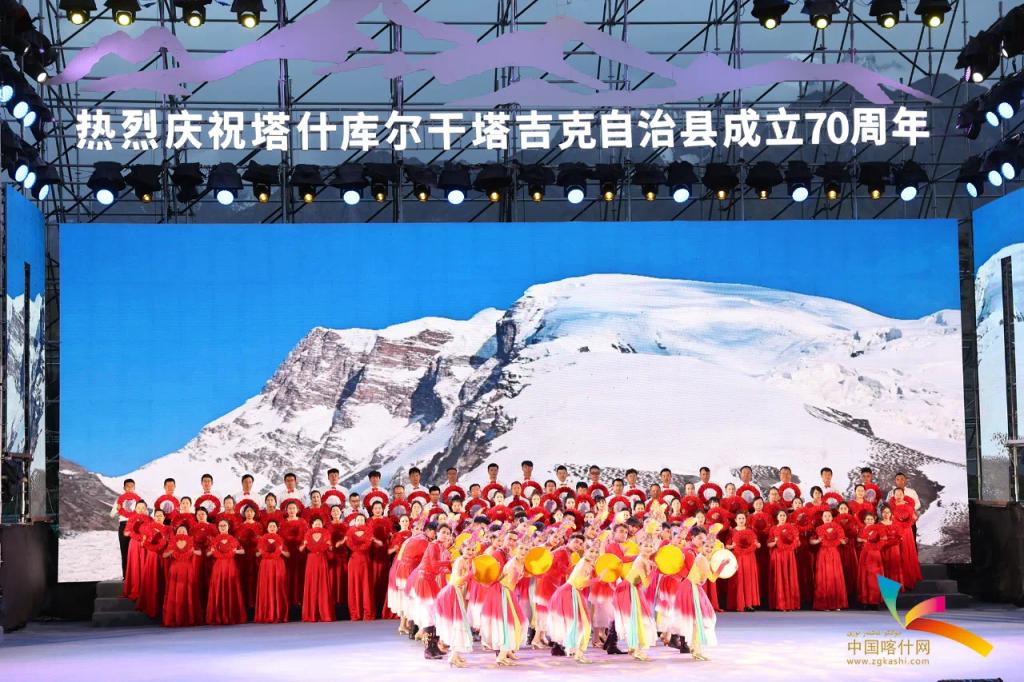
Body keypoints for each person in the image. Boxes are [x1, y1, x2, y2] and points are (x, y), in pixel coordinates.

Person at [407, 525, 454, 659]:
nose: (445, 535)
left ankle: (434, 647)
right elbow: (434, 564)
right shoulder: (433, 545)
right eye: (443, 532)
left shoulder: (442, 548)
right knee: (428, 613)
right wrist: (450, 562)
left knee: (434, 613)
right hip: (423, 581)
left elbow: (442, 568)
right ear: (437, 533)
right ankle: (428, 649)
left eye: (448, 533)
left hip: (430, 581)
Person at [677, 526, 722, 661]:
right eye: (706, 546)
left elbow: (704, 578)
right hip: (691, 588)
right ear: (702, 546)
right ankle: (696, 650)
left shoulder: (705, 558)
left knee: (697, 621)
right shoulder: (701, 558)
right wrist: (723, 566)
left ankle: (694, 647)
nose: (708, 549)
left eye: (711, 547)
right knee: (698, 620)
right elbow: (712, 578)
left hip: (694, 587)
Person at [434, 533, 478, 668]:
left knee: (458, 624)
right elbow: (457, 580)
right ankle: (453, 656)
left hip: (456, 592)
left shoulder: (467, 561)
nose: (470, 552)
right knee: (458, 625)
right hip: (452, 593)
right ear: (462, 549)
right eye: (468, 549)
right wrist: (471, 574)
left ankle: (456, 655)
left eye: (472, 549)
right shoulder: (460, 561)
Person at [613, 537, 658, 661]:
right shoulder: (640, 561)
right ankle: (637, 649)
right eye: (646, 545)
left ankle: (633, 648)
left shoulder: (646, 559)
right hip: (629, 589)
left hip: (633, 588)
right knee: (636, 619)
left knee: (637, 619)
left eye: (651, 546)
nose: (649, 548)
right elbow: (646, 583)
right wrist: (653, 571)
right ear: (640, 547)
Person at [206, 519, 247, 625]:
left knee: (231, 587)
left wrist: (235, 551)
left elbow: (242, 551)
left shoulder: (233, 539)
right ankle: (218, 615)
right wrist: (212, 551)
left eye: (224, 525)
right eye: (221, 525)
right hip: (218, 566)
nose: (223, 527)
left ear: (228, 527)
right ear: (218, 527)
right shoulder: (214, 540)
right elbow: (207, 554)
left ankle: (232, 615)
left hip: (230, 565)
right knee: (218, 588)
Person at [162, 525, 202, 627]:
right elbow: (164, 555)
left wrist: (193, 551)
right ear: (176, 533)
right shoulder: (172, 542)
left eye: (183, 530)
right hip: (175, 569)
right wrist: (170, 552)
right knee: (175, 592)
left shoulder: (191, 541)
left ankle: (189, 617)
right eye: (179, 530)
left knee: (188, 592)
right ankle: (175, 617)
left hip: (188, 569)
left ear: (187, 533)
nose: (181, 532)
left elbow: (200, 553)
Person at [344, 513, 381, 620]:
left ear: (365, 522)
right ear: (355, 522)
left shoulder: (369, 533)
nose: (360, 521)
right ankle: (355, 613)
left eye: (362, 520)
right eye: (358, 520)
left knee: (366, 586)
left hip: (365, 561)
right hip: (353, 561)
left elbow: (379, 544)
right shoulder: (350, 533)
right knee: (354, 586)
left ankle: (367, 612)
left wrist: (375, 540)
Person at [810, 509, 847, 611]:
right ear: (822, 518)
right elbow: (811, 541)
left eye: (829, 516)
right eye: (825, 516)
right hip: (823, 554)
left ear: (832, 517)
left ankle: (836, 603)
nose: (827, 518)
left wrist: (842, 541)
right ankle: (824, 604)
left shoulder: (837, 528)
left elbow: (844, 541)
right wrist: (818, 540)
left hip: (834, 553)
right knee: (823, 577)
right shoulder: (818, 529)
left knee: (835, 577)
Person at [254, 520, 290, 623]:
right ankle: (266, 614)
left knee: (278, 588)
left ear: (277, 528)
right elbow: (256, 554)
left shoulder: (281, 540)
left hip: (278, 565)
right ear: (267, 528)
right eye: (270, 526)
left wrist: (280, 550)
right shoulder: (262, 539)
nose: (272, 528)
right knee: (266, 588)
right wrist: (261, 552)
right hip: (265, 565)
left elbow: (288, 555)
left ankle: (279, 614)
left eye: (274, 526)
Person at [300, 517, 335, 622]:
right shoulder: (307, 535)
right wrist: (304, 545)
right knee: (312, 584)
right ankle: (311, 614)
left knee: (322, 585)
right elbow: (301, 549)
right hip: (311, 561)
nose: (317, 525)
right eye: (316, 523)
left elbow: (331, 549)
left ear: (322, 525)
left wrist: (330, 546)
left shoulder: (326, 534)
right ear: (312, 525)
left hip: (322, 559)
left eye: (319, 523)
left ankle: (325, 613)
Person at [136, 509, 168, 619]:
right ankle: (151, 605)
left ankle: (164, 606)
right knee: (152, 580)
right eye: (157, 516)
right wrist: (144, 542)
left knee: (163, 579)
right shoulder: (148, 528)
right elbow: (143, 544)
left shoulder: (168, 529)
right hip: (152, 556)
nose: (159, 517)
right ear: (154, 517)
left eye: (161, 516)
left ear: (164, 517)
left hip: (164, 556)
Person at [725, 511, 760, 612]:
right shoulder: (732, 532)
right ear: (736, 520)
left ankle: (749, 604)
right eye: (739, 518)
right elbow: (727, 546)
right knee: (738, 578)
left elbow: (757, 544)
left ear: (746, 520)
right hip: (737, 557)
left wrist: (757, 545)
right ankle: (738, 603)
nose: (741, 520)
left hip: (749, 557)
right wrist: (732, 546)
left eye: (743, 518)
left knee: (749, 579)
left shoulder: (750, 531)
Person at [766, 510, 800, 611]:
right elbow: (769, 544)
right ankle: (780, 604)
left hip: (789, 555)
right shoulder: (773, 529)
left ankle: (791, 604)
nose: (782, 517)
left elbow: (798, 543)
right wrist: (775, 542)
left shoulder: (792, 528)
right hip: (778, 555)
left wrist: (796, 541)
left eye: (784, 515)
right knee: (779, 578)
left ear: (786, 517)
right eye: (780, 515)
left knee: (790, 577)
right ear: (777, 517)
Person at [890, 489, 922, 590]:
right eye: (896, 494)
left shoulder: (909, 506)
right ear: (894, 495)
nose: (898, 495)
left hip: (906, 532)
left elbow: (914, 518)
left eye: (900, 494)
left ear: (904, 495)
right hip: (895, 532)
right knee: (896, 554)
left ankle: (908, 579)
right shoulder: (891, 506)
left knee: (906, 553)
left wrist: (906, 523)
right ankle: (897, 580)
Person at [280, 500, 310, 606]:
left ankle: (300, 599)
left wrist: (302, 546)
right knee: (288, 575)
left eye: (293, 508)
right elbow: (280, 539)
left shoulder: (303, 522)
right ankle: (288, 599)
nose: (292, 510)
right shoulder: (283, 523)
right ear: (286, 510)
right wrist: (285, 550)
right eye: (289, 508)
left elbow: (306, 536)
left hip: (300, 552)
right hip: (287, 552)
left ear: (297, 510)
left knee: (300, 574)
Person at [111, 478, 140, 578]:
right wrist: (117, 509)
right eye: (128, 486)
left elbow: (144, 513)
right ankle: (126, 576)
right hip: (123, 526)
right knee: (124, 552)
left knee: (135, 553)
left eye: (132, 486)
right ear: (124, 488)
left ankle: (136, 576)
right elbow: (112, 515)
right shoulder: (119, 500)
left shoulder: (139, 500)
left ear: (134, 488)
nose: (130, 488)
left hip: (135, 527)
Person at [235, 505, 263, 607]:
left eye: (251, 511)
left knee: (255, 576)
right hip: (243, 555)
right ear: (244, 513)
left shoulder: (259, 525)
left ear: (254, 513)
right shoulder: (240, 526)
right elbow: (236, 541)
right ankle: (244, 601)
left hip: (255, 554)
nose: (249, 513)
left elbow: (262, 541)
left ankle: (255, 602)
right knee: (244, 576)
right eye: (247, 511)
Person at [122, 500, 150, 600]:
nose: (141, 510)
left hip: (146, 545)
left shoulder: (150, 519)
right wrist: (133, 533)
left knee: (146, 566)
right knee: (135, 566)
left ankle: (146, 589)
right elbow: (125, 533)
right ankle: (135, 588)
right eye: (139, 508)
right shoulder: (132, 519)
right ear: (135, 509)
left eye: (143, 508)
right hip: (134, 545)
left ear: (146, 509)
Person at [856, 513, 885, 607]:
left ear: (874, 520)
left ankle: (875, 600)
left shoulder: (878, 529)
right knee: (865, 575)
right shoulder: (862, 529)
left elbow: (883, 539)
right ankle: (865, 600)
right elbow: (858, 539)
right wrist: (863, 540)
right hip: (865, 553)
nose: (869, 521)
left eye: (871, 519)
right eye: (867, 519)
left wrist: (869, 541)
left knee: (875, 577)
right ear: (864, 521)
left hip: (875, 553)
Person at [878, 506, 905, 587]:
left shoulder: (895, 524)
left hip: (894, 548)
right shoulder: (878, 525)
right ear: (881, 513)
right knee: (885, 566)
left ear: (891, 514)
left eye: (888, 512)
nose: (886, 514)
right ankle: (887, 587)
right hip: (883, 549)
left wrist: (893, 541)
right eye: (884, 512)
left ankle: (895, 586)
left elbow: (900, 537)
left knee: (894, 565)